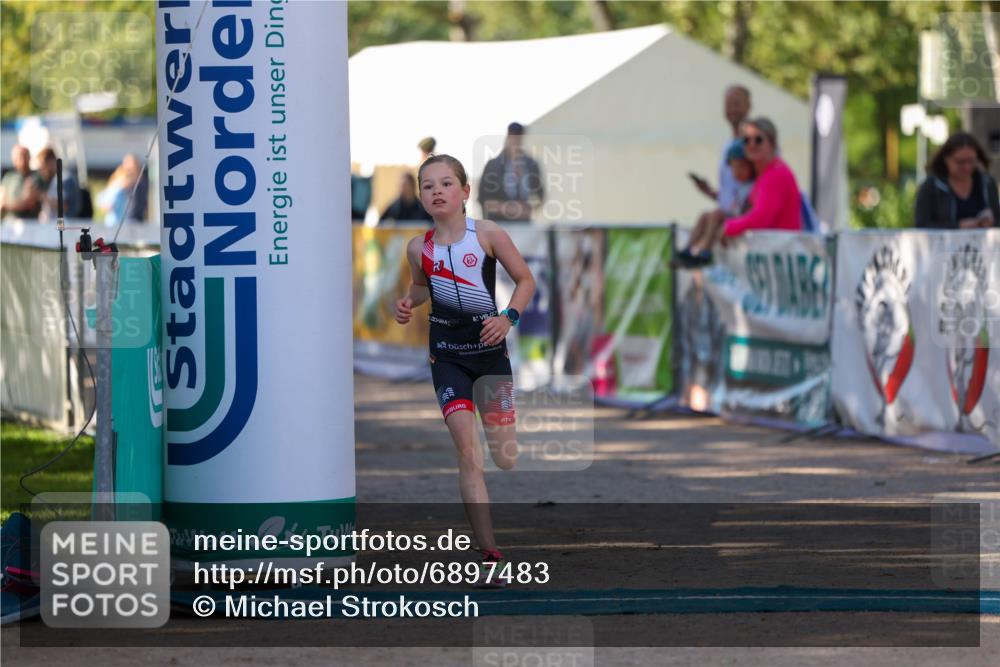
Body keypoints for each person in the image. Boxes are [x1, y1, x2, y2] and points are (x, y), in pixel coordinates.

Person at [395, 154, 535, 587]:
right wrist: (408, 302)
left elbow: (526, 281)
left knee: (504, 457)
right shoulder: (419, 248)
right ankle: (490, 553)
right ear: (420, 195)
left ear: (465, 192)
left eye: (445, 184)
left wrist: (508, 317)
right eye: (428, 185)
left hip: (490, 355)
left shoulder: (489, 235)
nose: (436, 191)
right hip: (447, 356)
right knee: (468, 453)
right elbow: (421, 287)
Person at [678, 117, 802, 266]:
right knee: (708, 216)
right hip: (771, 260)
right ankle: (693, 251)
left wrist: (729, 227)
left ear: (772, 143)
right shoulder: (764, 175)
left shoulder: (776, 174)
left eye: (758, 140)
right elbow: (745, 210)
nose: (751, 144)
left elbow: (761, 218)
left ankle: (703, 252)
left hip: (781, 260)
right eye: (746, 140)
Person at [675, 139, 755, 267]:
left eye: (742, 167)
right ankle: (688, 249)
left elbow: (748, 211)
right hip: (732, 217)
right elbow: (728, 203)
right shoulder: (738, 186)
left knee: (716, 214)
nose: (738, 172)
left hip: (740, 222)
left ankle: (706, 251)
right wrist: (707, 190)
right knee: (704, 215)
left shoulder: (753, 186)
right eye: (734, 169)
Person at [915, 131, 999, 229]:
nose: (967, 167)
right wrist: (958, 226)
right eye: (961, 162)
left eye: (971, 161)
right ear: (946, 159)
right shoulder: (931, 186)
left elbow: (997, 219)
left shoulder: (987, 183)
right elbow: (921, 226)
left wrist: (990, 221)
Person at [689, 85, 752, 213]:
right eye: (728, 105)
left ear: (749, 106)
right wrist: (709, 192)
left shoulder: (757, 143)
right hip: (730, 221)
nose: (732, 109)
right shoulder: (727, 147)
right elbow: (730, 199)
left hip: (747, 224)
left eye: (737, 104)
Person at [477, 122, 544, 223]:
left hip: (523, 225)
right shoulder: (493, 166)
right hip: (499, 225)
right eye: (513, 137)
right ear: (508, 137)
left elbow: (540, 196)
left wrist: (528, 209)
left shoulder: (531, 165)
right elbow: (483, 199)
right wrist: (508, 208)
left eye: (519, 138)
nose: (516, 141)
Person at [36, 148, 82, 222]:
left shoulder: (65, 179)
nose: (41, 171)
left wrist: (42, 196)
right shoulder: (55, 179)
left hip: (65, 227)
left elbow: (64, 206)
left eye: (43, 167)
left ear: (51, 162)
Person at [0, 145, 44, 220]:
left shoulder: (36, 177)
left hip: (29, 223)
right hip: (9, 223)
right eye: (19, 157)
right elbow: (2, 202)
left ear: (29, 158)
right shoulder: (8, 177)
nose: (22, 160)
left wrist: (8, 206)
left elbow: (29, 202)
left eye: (25, 156)